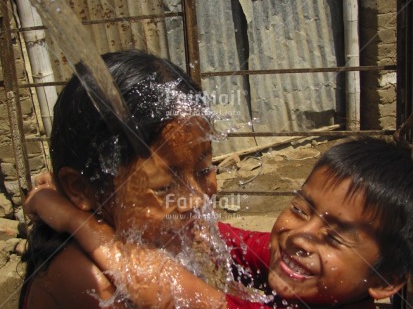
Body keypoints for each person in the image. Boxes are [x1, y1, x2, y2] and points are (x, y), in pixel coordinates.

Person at [24, 136, 413, 308]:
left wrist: (72, 217)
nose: (300, 237)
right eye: (300, 209)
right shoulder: (313, 277)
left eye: (337, 238)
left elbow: (162, 287)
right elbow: (221, 238)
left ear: (383, 281)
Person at [19, 49, 232, 309]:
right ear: (81, 189)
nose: (196, 199)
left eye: (203, 170)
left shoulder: (168, 235)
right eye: (164, 187)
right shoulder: (91, 281)